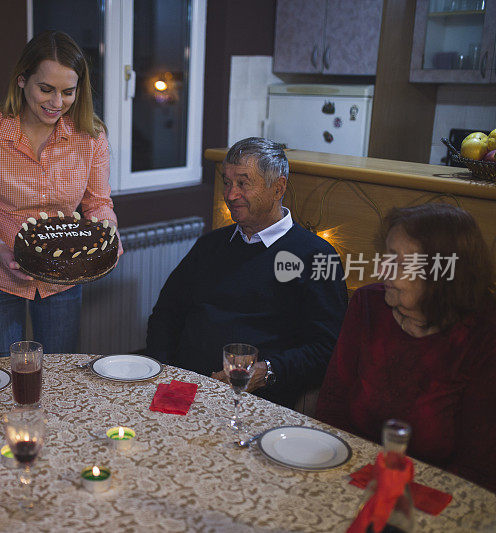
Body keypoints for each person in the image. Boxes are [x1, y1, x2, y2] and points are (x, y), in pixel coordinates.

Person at [145, 137, 348, 409]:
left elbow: (327, 349)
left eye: (243, 183)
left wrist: (267, 372)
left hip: (256, 399)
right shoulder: (211, 245)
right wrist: (165, 375)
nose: (230, 195)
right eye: (227, 183)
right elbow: (165, 315)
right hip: (182, 387)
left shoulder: (316, 256)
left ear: (278, 187)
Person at [0, 30, 119, 359]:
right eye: (46, 89)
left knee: (57, 376)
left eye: (68, 92)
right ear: (22, 80)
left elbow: (98, 204)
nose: (56, 103)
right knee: (5, 377)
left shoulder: (91, 135)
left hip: (62, 278)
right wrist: (2, 252)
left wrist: (110, 236)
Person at [316, 204, 496, 492]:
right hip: (349, 478)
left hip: (433, 500)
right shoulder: (367, 305)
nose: (381, 269)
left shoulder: (483, 335)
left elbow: (478, 470)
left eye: (398, 262)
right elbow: (331, 408)